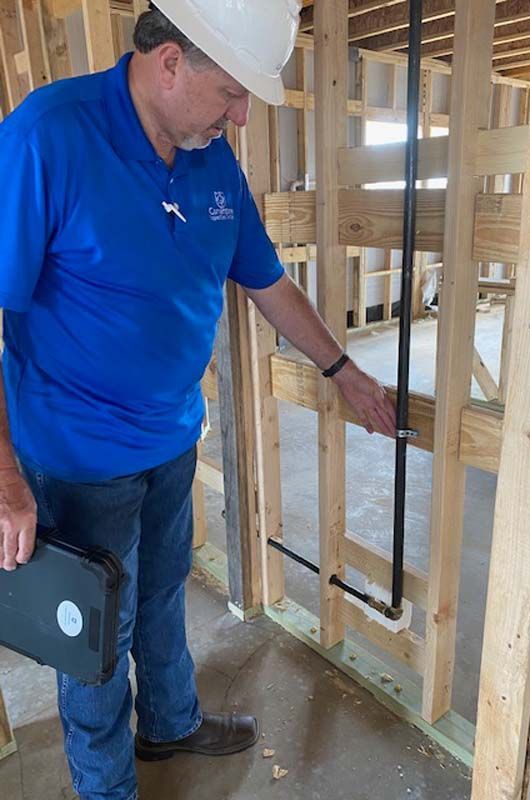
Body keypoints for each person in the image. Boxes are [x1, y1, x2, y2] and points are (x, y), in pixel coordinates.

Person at [0, 2, 397, 798]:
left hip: (173, 437)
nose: (243, 117)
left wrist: (341, 368)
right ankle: (107, 786)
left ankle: (171, 723)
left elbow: (267, 281)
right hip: (77, 456)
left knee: (160, 589)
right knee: (95, 640)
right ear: (171, 61)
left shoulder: (211, 158)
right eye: (232, 93)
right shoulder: (51, 135)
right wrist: (5, 474)